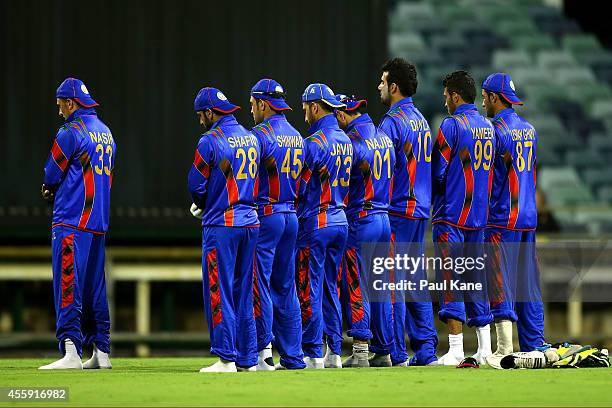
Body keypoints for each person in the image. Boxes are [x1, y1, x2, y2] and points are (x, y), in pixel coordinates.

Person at [39, 77, 115, 370]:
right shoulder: (106, 133)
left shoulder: (69, 132)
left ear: (71, 103)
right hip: (98, 224)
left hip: (71, 221)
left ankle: (71, 350)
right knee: (96, 288)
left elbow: (51, 174)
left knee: (68, 284)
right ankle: (102, 352)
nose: (59, 112)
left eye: (61, 106)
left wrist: (48, 188)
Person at [188, 87, 260, 373]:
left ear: (209, 112)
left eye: (199, 115)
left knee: (220, 290)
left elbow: (195, 184)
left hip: (222, 225)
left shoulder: (209, 141)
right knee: (245, 292)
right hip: (251, 223)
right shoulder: (251, 138)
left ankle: (226, 358)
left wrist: (202, 203)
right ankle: (248, 359)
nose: (199, 120)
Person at [480, 73, 545, 368]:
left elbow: (489, 179)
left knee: (500, 280)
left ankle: (505, 347)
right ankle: (534, 346)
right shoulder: (529, 130)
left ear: (495, 97)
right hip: (527, 217)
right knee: (528, 284)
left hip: (502, 218)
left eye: (484, 96)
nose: (482, 102)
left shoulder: (494, 132)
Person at [377, 58, 438, 366]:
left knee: (393, 282)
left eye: (383, 81)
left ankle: (397, 353)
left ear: (394, 87)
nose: (379, 86)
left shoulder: (390, 123)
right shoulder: (422, 121)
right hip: (420, 211)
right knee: (415, 280)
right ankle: (427, 349)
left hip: (397, 209)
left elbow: (382, 171)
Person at [431, 70, 495, 365]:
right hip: (479, 217)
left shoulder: (451, 126)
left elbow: (438, 172)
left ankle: (456, 348)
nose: (445, 102)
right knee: (476, 279)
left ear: (455, 96)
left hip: (452, 215)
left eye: (446, 96)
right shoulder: (489, 127)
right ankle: (485, 348)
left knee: (450, 279)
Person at [334, 94, 396, 368]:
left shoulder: (351, 142)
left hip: (362, 218)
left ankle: (360, 351)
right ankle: (384, 350)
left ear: (343, 114)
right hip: (384, 218)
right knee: (381, 288)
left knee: (357, 283)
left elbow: (342, 185)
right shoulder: (384, 138)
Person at [249, 78, 306, 370]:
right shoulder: (297, 136)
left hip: (266, 215)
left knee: (260, 284)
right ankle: (294, 356)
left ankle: (263, 353)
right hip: (291, 216)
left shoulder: (258, 135)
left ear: (262, 103)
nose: (251, 110)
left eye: (252, 104)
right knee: (286, 286)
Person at [296, 83, 351, 368]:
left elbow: (300, 188)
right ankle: (335, 352)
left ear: (315, 106)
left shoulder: (313, 143)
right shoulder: (345, 140)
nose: (304, 111)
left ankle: (312, 352)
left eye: (305, 106)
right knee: (332, 286)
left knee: (310, 287)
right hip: (341, 220)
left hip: (316, 222)